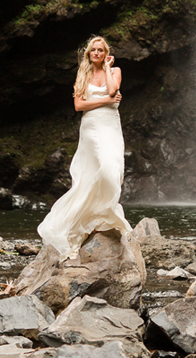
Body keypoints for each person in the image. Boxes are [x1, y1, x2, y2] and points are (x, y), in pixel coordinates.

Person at [37, 35, 131, 257]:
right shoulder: (83, 74)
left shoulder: (115, 71)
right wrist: (107, 102)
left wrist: (108, 68)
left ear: (106, 53)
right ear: (88, 53)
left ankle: (102, 213)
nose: (96, 53)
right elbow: (79, 105)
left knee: (111, 168)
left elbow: (112, 89)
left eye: (100, 50)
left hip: (110, 125)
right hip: (90, 127)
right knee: (91, 172)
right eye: (93, 50)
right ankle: (87, 219)